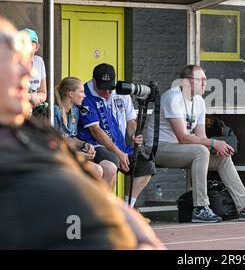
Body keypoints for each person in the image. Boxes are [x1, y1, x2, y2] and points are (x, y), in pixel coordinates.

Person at [0, 16, 165, 249]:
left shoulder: (37, 133)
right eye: (15, 61)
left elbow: (99, 197)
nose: (27, 72)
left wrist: (141, 235)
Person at [145, 65, 245, 223]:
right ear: (187, 82)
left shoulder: (199, 102)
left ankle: (244, 206)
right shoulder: (173, 98)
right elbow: (183, 137)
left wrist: (216, 147)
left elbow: (201, 136)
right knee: (201, 152)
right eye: (200, 80)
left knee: (222, 157)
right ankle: (200, 208)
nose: (205, 84)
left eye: (205, 80)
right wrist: (214, 143)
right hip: (158, 148)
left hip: (182, 149)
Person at [77, 63, 156, 206]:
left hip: (119, 144)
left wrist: (133, 134)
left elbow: (131, 119)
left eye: (110, 88)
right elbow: (96, 131)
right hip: (96, 144)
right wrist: (119, 153)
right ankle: (102, 210)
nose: (107, 92)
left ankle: (128, 206)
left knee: (146, 162)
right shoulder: (85, 95)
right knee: (112, 161)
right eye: (102, 88)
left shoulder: (121, 91)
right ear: (94, 81)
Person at [54, 76, 107, 181]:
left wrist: (85, 144)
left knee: (103, 169)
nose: (84, 95)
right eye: (81, 92)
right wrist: (78, 154)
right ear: (71, 94)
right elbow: (54, 144)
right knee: (96, 170)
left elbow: (71, 138)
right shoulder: (55, 112)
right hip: (57, 159)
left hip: (69, 156)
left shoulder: (74, 111)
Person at [20, 28, 47, 116]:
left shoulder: (39, 61)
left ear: (37, 47)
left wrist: (37, 97)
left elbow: (43, 92)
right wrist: (31, 96)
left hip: (31, 113)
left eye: (30, 44)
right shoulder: (11, 62)